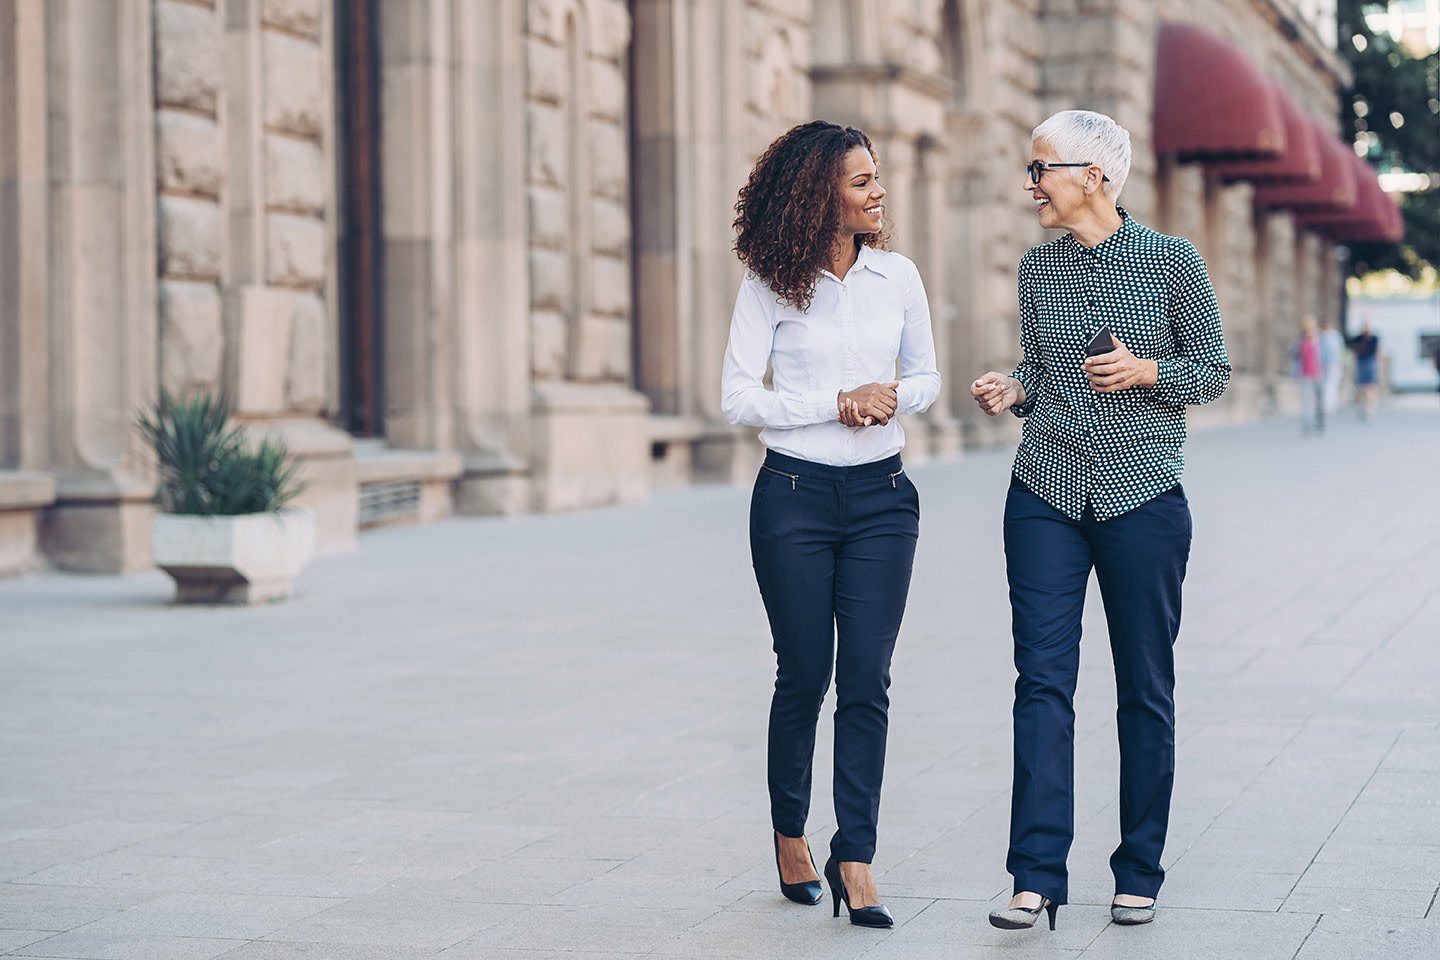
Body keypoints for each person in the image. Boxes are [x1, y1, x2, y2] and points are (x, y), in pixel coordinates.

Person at [970, 110, 1229, 931]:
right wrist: (1014, 388)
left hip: (1142, 497)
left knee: (1143, 689)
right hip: (1043, 493)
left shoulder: (1171, 261)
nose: (1029, 183)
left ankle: (1139, 868)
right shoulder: (1036, 271)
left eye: (1039, 167)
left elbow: (1213, 370)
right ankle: (1035, 873)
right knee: (1041, 682)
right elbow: (1042, 372)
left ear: (1093, 177)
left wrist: (1148, 368)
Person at [721, 120, 941, 929]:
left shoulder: (899, 278)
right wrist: (833, 403)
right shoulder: (770, 284)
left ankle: (857, 856)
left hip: (884, 500)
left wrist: (889, 395)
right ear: (820, 195)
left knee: (868, 679)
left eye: (876, 176)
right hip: (793, 499)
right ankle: (789, 834)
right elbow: (739, 397)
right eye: (861, 181)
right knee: (805, 672)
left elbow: (926, 375)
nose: (878, 190)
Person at [1292, 316, 1329, 435]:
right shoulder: (1300, 339)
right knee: (1307, 401)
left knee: (1319, 401)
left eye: (1310, 324)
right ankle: (1307, 425)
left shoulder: (1322, 339)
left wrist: (1328, 369)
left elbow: (1328, 355)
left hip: (1319, 374)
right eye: (1306, 324)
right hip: (1305, 374)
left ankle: (1319, 422)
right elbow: (1294, 354)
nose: (1308, 326)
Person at [1347, 320, 1381, 419]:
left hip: (1370, 362)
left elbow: (1377, 351)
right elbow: (1353, 350)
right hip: (1360, 363)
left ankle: (1370, 408)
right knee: (1361, 387)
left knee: (1371, 387)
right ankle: (1362, 405)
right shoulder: (1358, 338)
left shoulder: (1374, 339)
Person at [1320, 318, 1346, 416]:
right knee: (1324, 385)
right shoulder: (1320, 336)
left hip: (1334, 364)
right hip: (1322, 364)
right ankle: (1325, 404)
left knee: (1332, 385)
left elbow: (1341, 350)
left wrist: (1342, 362)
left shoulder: (1335, 336)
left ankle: (1331, 405)